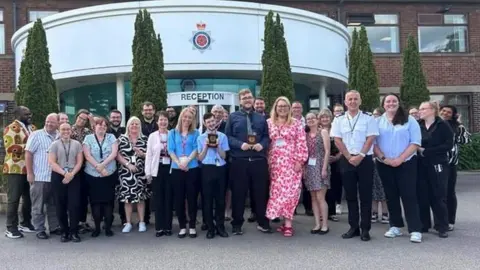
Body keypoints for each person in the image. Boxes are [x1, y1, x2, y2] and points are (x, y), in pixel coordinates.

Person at [374, 93, 423, 243]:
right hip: (384, 164)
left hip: (406, 164)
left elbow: (415, 142)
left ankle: (415, 229)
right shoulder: (377, 121)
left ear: (398, 103)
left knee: (409, 195)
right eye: (388, 101)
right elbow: (374, 143)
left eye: (394, 101)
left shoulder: (410, 120)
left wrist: (400, 159)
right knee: (391, 195)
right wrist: (385, 159)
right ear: (383, 104)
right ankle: (395, 226)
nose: (391, 103)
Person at [330, 90, 379, 241]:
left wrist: (361, 155)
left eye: (355, 99)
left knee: (365, 196)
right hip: (347, 160)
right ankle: (353, 227)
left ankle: (365, 229)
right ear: (345, 102)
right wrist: (349, 157)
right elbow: (337, 140)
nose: (352, 101)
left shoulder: (368, 118)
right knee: (350, 196)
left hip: (365, 159)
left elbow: (371, 138)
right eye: (349, 99)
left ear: (360, 101)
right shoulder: (339, 120)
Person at [225, 88, 271, 235]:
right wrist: (240, 144)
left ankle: (263, 222)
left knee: (260, 193)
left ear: (253, 99)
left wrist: (262, 145)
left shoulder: (261, 118)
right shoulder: (233, 117)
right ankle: (237, 224)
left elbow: (266, 137)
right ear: (240, 101)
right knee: (238, 194)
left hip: (258, 160)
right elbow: (228, 137)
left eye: (249, 97)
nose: (247, 100)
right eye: (244, 98)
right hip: (240, 160)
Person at [417, 101, 454, 238]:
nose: (420, 111)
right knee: (422, 194)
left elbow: (448, 145)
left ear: (432, 110)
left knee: (438, 195)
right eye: (420, 109)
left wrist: (427, 151)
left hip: (438, 164)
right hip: (421, 165)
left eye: (423, 109)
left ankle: (442, 226)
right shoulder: (418, 125)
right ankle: (423, 224)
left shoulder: (442, 125)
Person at [25, 113, 60, 240]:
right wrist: (30, 173)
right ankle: (39, 229)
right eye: (47, 121)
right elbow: (28, 154)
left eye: (52, 122)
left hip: (55, 178)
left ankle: (54, 227)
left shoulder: (60, 136)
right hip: (40, 177)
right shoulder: (36, 135)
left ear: (58, 123)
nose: (49, 124)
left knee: (54, 205)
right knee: (38, 205)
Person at [3, 106, 36, 239]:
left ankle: (26, 223)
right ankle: (11, 228)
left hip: (29, 169)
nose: (29, 116)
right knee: (14, 199)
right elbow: (10, 147)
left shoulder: (32, 128)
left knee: (28, 198)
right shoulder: (11, 128)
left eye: (30, 113)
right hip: (14, 169)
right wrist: (30, 146)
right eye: (26, 114)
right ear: (17, 115)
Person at [48, 123, 84, 243]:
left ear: (71, 131)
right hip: (59, 176)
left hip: (74, 175)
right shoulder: (54, 144)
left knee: (74, 205)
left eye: (68, 129)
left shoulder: (77, 144)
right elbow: (52, 163)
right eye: (63, 129)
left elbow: (79, 162)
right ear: (59, 130)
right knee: (60, 205)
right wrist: (65, 174)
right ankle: (64, 231)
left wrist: (71, 174)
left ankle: (74, 232)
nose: (66, 131)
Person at [83, 117, 118, 237]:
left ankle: (108, 227)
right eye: (99, 125)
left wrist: (102, 166)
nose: (102, 127)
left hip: (109, 175)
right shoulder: (88, 138)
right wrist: (98, 167)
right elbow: (87, 155)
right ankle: (97, 228)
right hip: (92, 176)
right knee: (95, 203)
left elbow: (114, 153)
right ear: (94, 127)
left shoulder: (111, 137)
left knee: (108, 202)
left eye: (105, 125)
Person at [168, 108, 200, 238]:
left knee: (192, 198)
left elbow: (197, 148)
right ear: (181, 117)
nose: (187, 119)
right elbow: (170, 150)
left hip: (192, 168)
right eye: (185, 117)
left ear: (193, 120)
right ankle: (182, 226)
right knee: (179, 199)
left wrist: (187, 161)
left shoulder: (196, 132)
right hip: (177, 169)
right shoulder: (172, 133)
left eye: (190, 118)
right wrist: (179, 163)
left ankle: (192, 226)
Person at [197, 112, 230, 239]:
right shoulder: (200, 138)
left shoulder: (222, 136)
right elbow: (200, 158)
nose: (211, 123)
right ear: (205, 124)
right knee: (208, 200)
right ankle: (210, 227)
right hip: (207, 169)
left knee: (220, 199)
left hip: (220, 168)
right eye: (208, 122)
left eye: (212, 121)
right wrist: (206, 146)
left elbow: (224, 156)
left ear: (215, 121)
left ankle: (220, 226)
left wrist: (217, 147)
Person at [440, 105, 471, 231]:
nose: (445, 113)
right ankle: (440, 219)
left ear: (453, 115)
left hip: (450, 164)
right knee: (438, 193)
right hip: (435, 164)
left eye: (449, 112)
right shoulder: (435, 124)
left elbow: (466, 141)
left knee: (449, 192)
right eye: (443, 111)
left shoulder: (457, 127)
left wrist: (460, 125)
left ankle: (450, 220)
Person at [117, 117, 150, 233]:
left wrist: (143, 154)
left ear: (140, 126)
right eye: (132, 124)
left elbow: (150, 155)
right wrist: (127, 164)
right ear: (128, 126)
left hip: (140, 173)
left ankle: (142, 222)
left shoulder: (145, 139)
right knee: (127, 200)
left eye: (137, 124)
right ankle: (128, 222)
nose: (134, 126)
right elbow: (117, 154)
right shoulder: (121, 139)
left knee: (141, 199)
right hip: (126, 173)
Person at [145, 111, 173, 237]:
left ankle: (168, 227)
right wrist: (148, 173)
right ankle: (159, 227)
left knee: (168, 199)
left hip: (170, 169)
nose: (163, 122)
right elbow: (149, 155)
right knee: (158, 200)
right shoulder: (152, 136)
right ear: (157, 122)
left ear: (168, 122)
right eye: (161, 120)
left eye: (165, 120)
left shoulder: (172, 134)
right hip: (157, 169)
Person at [304, 111, 330, 234]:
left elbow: (327, 151)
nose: (310, 120)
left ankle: (325, 224)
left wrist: (324, 168)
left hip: (320, 165)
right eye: (308, 119)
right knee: (313, 197)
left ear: (317, 119)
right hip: (309, 167)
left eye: (312, 118)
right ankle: (317, 224)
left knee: (321, 197)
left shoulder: (323, 132)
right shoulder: (306, 135)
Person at [71, 109, 93, 234]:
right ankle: (75, 222)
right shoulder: (70, 129)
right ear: (76, 117)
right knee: (75, 196)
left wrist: (92, 121)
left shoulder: (87, 131)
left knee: (84, 196)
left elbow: (98, 135)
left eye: (85, 120)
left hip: (85, 167)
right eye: (80, 118)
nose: (82, 121)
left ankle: (83, 221)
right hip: (73, 167)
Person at [321, 110, 342, 222]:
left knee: (334, 186)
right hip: (321, 162)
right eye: (322, 117)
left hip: (335, 162)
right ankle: (322, 213)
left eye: (327, 117)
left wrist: (338, 156)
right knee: (322, 187)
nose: (325, 119)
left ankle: (332, 212)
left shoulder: (336, 129)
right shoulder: (318, 130)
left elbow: (344, 143)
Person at [107, 109, 127, 225]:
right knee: (109, 194)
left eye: (118, 117)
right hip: (108, 167)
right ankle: (108, 219)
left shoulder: (125, 131)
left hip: (122, 167)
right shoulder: (106, 131)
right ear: (109, 118)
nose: (116, 119)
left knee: (122, 193)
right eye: (113, 117)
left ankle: (124, 218)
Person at [140, 102, 158, 225]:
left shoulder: (159, 123)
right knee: (143, 191)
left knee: (155, 191)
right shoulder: (138, 124)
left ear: (154, 111)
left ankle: (158, 218)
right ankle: (145, 218)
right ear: (142, 112)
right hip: (141, 162)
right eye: (145, 110)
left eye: (150, 110)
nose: (148, 112)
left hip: (156, 161)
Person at [371, 108, 388, 224]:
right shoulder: (371, 128)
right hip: (372, 161)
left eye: (377, 114)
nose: (375, 116)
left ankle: (385, 212)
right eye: (373, 115)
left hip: (384, 161)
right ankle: (374, 212)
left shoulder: (384, 129)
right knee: (373, 188)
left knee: (384, 188)